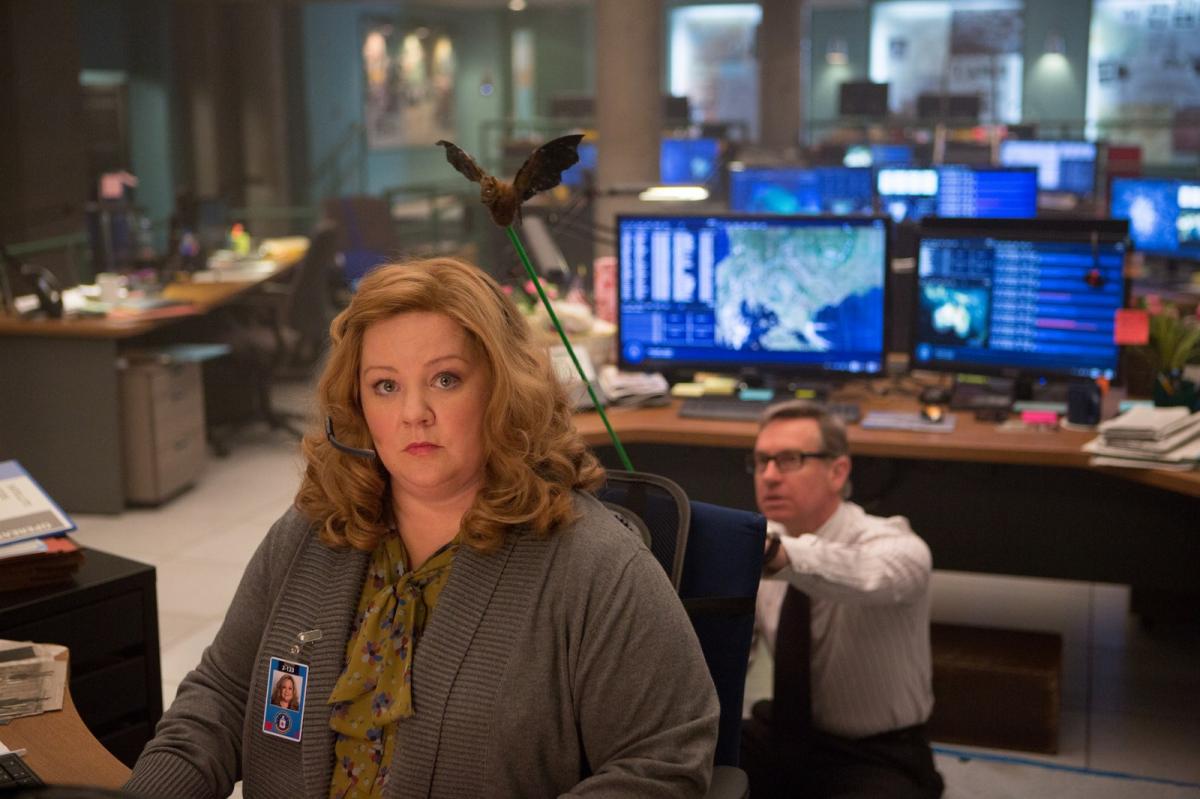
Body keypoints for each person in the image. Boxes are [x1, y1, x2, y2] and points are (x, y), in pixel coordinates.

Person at [126, 258, 720, 798]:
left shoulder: (595, 565)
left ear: (503, 389)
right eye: (386, 386)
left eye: (445, 379)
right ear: (358, 404)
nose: (414, 413)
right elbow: (222, 698)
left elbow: (661, 763)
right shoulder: (315, 530)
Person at [740, 400, 944, 799]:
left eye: (789, 460)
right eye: (761, 461)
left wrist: (779, 555)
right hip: (785, 732)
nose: (769, 476)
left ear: (838, 471)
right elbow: (733, 652)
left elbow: (869, 572)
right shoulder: (762, 542)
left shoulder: (893, 542)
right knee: (685, 761)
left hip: (877, 752)